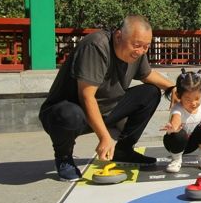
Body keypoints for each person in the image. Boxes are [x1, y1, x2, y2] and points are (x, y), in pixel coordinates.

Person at [38, 15, 174, 182]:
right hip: (70, 112)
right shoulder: (96, 45)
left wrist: (174, 88)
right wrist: (104, 137)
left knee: (150, 93)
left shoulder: (138, 52)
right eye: (137, 45)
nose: (140, 51)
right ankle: (64, 158)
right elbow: (86, 96)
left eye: (146, 46)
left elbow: (147, 74)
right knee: (69, 114)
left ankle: (123, 150)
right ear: (118, 36)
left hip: (107, 109)